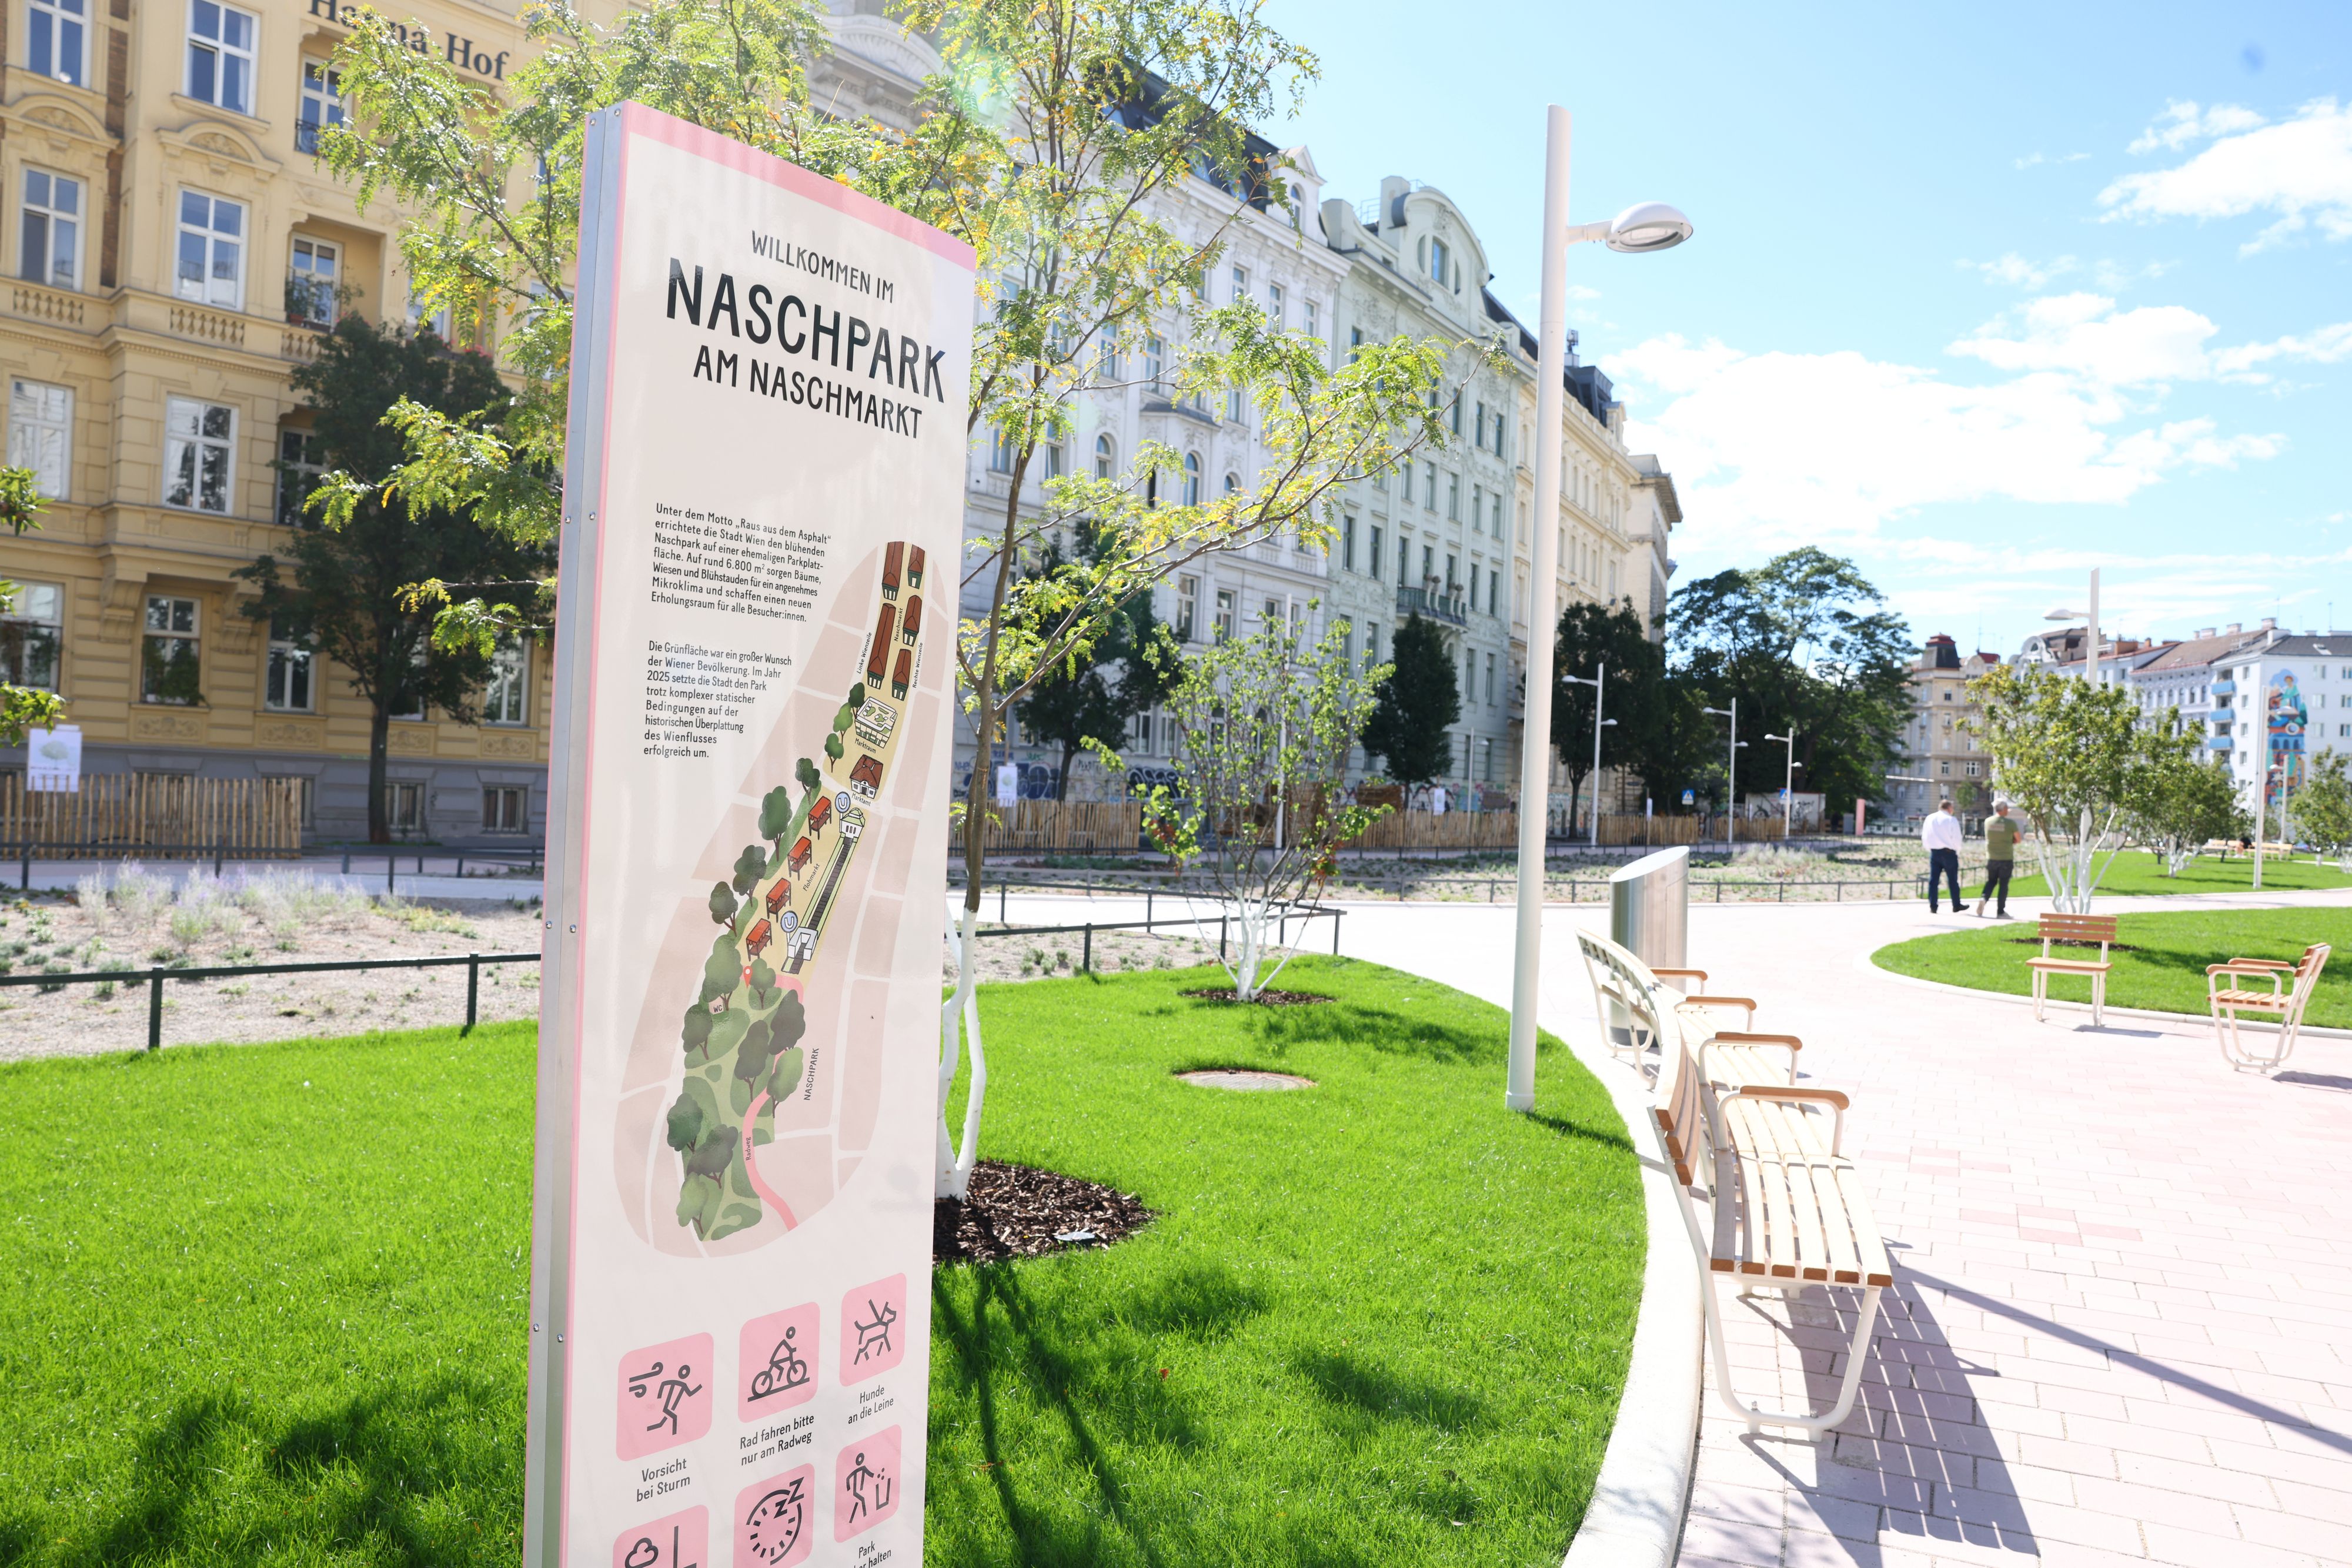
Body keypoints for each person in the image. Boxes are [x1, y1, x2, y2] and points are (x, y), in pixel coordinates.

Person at [1975, 800, 2019, 918]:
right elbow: (2018, 839)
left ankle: (1984, 898)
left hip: (1992, 857)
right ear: (2004, 809)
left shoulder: (1988, 821)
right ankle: (2000, 912)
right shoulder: (2010, 823)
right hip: (2006, 858)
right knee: (2003, 885)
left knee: (1991, 881)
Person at [1921, 798, 1965, 914]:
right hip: (1949, 853)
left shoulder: (1930, 818)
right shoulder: (1951, 820)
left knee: (1933, 881)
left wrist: (1930, 849)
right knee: (1952, 880)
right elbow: (1957, 838)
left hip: (1935, 852)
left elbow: (1925, 836)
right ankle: (1956, 904)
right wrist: (1957, 851)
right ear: (1949, 808)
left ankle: (1933, 906)